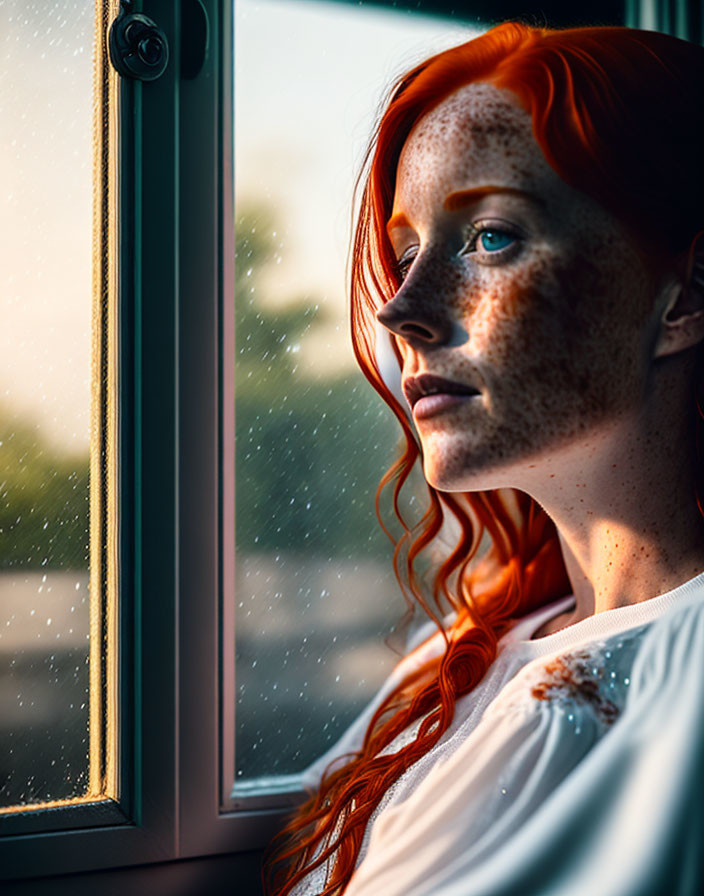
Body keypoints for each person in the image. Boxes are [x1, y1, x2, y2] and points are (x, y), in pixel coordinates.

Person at [264, 21, 704, 896]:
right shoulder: (456, 658)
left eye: (492, 237)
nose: (402, 312)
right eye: (405, 254)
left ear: (687, 295)